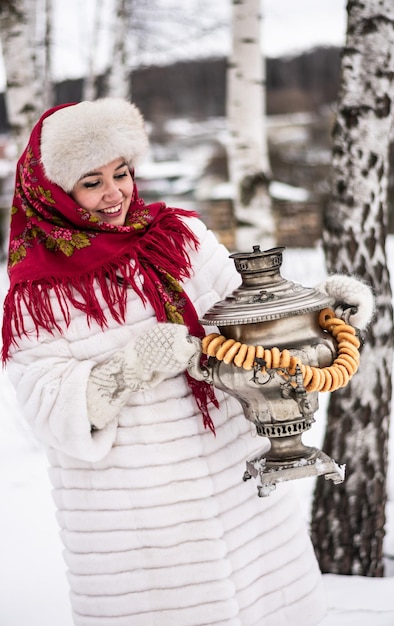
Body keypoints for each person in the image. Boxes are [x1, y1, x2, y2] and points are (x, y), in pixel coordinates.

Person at [1, 98, 374, 626]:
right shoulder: (38, 291)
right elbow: (44, 405)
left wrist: (319, 313)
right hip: (143, 521)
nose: (115, 194)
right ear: (55, 190)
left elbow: (248, 322)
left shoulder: (181, 238)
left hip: (238, 482)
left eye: (122, 173)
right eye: (92, 181)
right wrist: (126, 370)